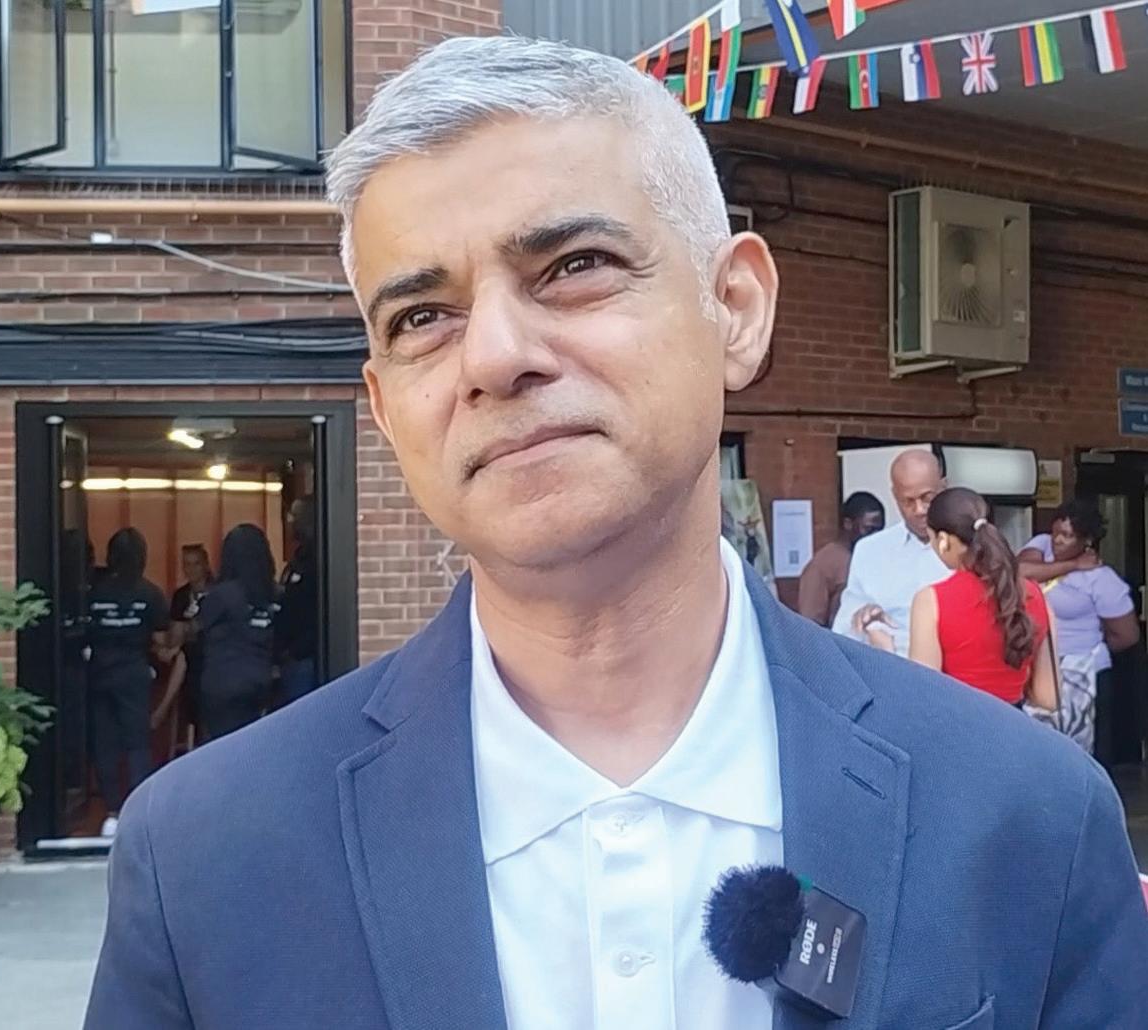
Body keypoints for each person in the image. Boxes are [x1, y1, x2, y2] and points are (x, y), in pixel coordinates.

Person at [87, 37, 1148, 1029]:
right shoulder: (202, 859)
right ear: (383, 407)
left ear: (735, 307)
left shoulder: (1027, 818)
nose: (493, 355)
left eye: (573, 265)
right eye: (422, 317)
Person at [869, 488, 1057, 712]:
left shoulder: (931, 600)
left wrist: (884, 649)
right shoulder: (1035, 596)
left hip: (958, 725)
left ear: (943, 540)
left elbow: (923, 695)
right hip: (1015, 726)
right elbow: (1048, 698)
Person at [1018, 500, 1140, 758]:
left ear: (1086, 541)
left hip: (1082, 671)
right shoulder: (1041, 546)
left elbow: (1127, 635)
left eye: (1067, 535)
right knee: (1039, 742)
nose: (1057, 540)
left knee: (1081, 745)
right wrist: (1073, 565)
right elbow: (1019, 572)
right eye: (1055, 532)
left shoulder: (1102, 579)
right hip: (1038, 665)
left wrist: (1083, 651)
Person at [85, 527, 170, 839]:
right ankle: (138, 814)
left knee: (104, 743)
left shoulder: (95, 593)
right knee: (137, 743)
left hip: (100, 673)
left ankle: (111, 812)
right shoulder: (150, 593)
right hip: (134, 673)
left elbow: (85, 630)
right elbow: (162, 639)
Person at [832, 449, 949, 655]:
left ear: (944, 487)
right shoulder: (870, 551)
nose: (919, 510)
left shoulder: (966, 548)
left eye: (927, 498)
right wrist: (864, 620)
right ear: (895, 496)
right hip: (890, 667)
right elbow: (844, 630)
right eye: (908, 501)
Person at [194, 524, 277, 740]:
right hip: (260, 682)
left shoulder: (221, 595)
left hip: (222, 684)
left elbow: (198, 630)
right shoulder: (274, 595)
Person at [151, 545, 214, 741]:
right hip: (183, 654)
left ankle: (162, 710)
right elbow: (173, 631)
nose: (191, 569)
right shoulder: (180, 595)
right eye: (187, 564)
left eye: (196, 564)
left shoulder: (217, 594)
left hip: (207, 656)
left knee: (182, 656)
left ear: (206, 565)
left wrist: (178, 643)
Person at [796, 491, 885, 626]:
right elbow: (810, 623)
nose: (876, 536)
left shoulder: (878, 559)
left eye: (880, 530)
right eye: (869, 529)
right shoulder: (823, 565)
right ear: (848, 524)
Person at [275, 497, 320, 706]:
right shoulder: (298, 560)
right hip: (291, 659)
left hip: (305, 660)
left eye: (294, 515)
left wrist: (295, 651)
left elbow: (314, 611)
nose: (289, 520)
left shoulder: (318, 559)